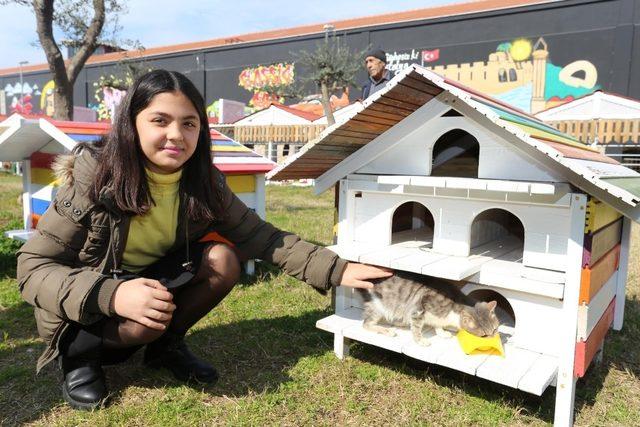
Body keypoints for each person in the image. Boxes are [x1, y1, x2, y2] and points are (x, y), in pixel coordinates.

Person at [16, 69, 392, 410]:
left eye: (189, 123)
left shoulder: (204, 183)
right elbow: (33, 267)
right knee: (146, 319)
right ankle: (79, 360)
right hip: (82, 301)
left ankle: (164, 347)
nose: (176, 135)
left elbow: (260, 236)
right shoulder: (94, 178)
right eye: (160, 120)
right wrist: (110, 294)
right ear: (132, 124)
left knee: (222, 259)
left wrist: (335, 269)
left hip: (147, 281)